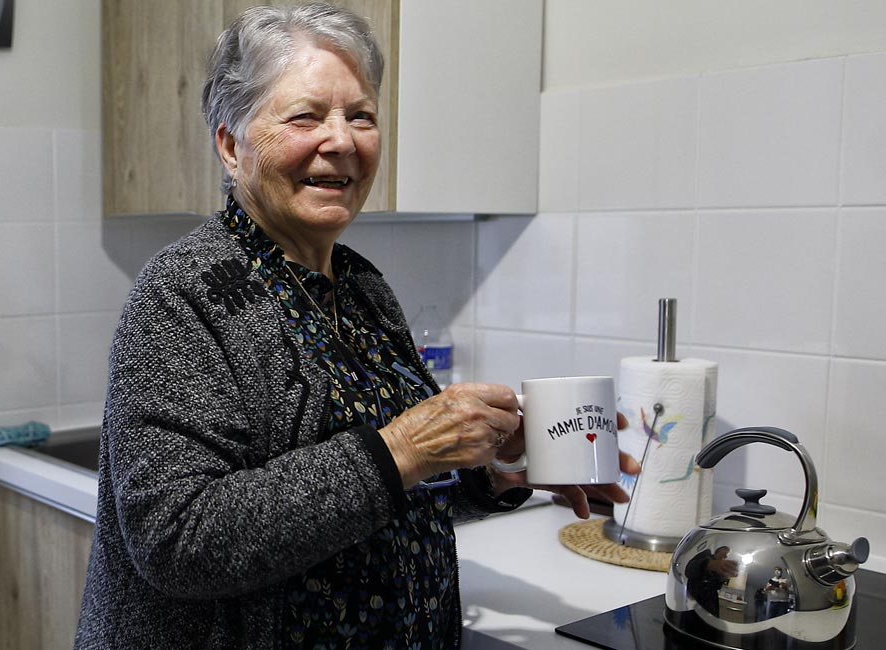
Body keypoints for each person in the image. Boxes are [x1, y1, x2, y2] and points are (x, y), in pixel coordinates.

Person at [73, 4, 639, 648]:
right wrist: (404, 447)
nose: (342, 140)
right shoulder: (182, 293)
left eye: (361, 115)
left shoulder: (363, 286)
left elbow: (384, 495)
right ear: (231, 146)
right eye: (306, 116)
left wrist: (493, 469)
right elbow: (180, 541)